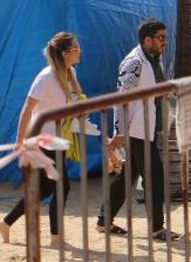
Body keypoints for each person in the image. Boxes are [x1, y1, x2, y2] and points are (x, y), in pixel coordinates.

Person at [96, 18, 181, 241]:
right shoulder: (134, 63)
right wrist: (120, 131)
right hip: (136, 131)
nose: (165, 42)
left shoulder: (153, 60)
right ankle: (156, 228)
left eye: (165, 38)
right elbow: (120, 99)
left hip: (147, 128)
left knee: (126, 178)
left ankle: (104, 221)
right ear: (147, 40)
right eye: (161, 38)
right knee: (155, 177)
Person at [1, 32, 83, 245]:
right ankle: (56, 238)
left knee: (47, 188)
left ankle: (7, 222)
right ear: (65, 53)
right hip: (39, 140)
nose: (79, 50)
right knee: (61, 186)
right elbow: (27, 109)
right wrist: (20, 140)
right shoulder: (46, 77)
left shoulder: (71, 72)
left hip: (59, 139)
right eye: (76, 48)